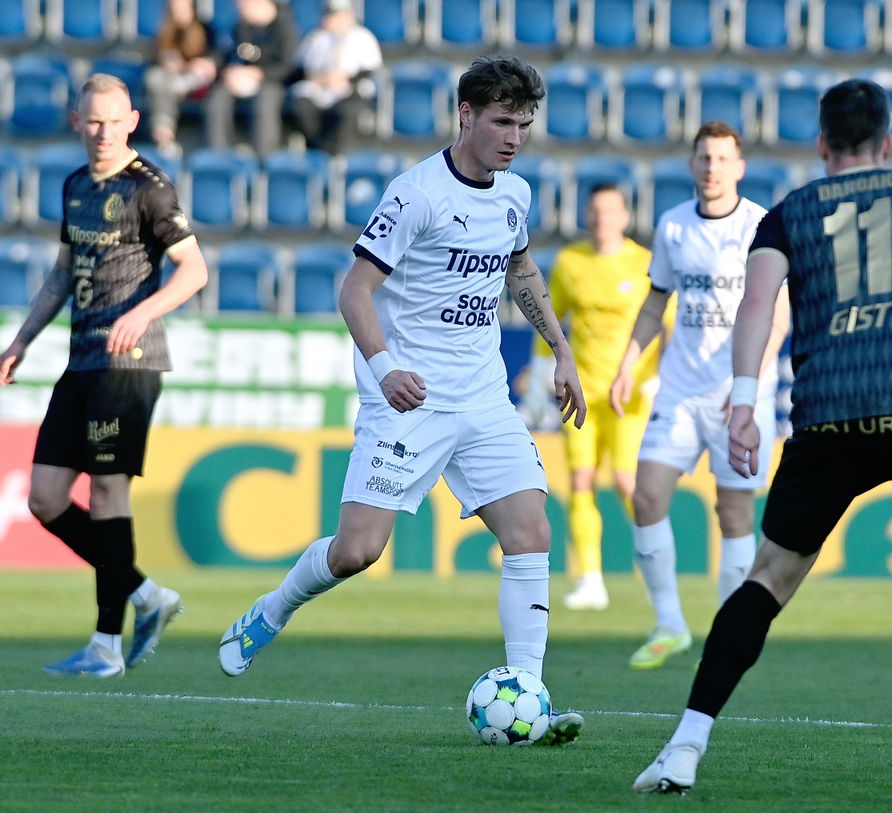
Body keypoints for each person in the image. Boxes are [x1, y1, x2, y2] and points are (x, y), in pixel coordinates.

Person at [632, 79, 892, 807]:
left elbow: (756, 304)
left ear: (821, 145)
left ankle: (683, 747)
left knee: (767, 579)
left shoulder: (785, 214)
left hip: (826, 418)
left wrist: (743, 404)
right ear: (887, 142)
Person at [217, 56, 589, 746]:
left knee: (531, 533)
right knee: (357, 551)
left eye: (524, 124)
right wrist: (385, 368)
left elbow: (521, 268)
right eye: (502, 122)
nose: (514, 138)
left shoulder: (515, 194)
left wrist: (561, 349)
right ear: (466, 115)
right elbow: (354, 290)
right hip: (410, 399)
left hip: (483, 394)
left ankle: (529, 696)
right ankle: (271, 610)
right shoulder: (416, 194)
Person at [0, 74, 209, 677]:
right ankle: (146, 594)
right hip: (82, 359)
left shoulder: (150, 189)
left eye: (114, 121)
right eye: (93, 121)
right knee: (45, 498)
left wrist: (142, 312)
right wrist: (21, 340)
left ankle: (105, 645)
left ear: (132, 122)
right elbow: (63, 273)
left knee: (107, 492)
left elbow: (194, 270)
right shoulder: (75, 186)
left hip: (129, 363)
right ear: (76, 122)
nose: (103, 132)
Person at [610, 121, 790, 669]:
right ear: (692, 164)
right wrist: (627, 365)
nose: (712, 167)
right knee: (646, 497)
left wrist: (747, 386)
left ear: (739, 167)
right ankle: (669, 623)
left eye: (722, 159)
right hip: (681, 390)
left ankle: (729, 632)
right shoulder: (673, 225)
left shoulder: (761, 225)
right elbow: (654, 304)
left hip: (740, 393)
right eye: (704, 158)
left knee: (733, 513)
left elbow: (779, 315)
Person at [531, 184, 664, 611]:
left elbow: (667, 321)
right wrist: (540, 369)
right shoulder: (570, 262)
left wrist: (658, 377)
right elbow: (549, 319)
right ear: (586, 215)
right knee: (581, 481)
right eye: (595, 210)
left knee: (627, 481)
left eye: (610, 211)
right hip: (582, 391)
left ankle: (656, 568)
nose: (602, 218)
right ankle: (590, 579)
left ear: (625, 216)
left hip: (630, 393)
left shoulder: (645, 263)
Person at [206, 0, 298, 156]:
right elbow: (227, 54)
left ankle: (265, 158)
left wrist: (258, 73)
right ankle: (217, 155)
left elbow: (288, 68)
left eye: (244, 5)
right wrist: (227, 71)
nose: (240, 9)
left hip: (272, 81)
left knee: (266, 100)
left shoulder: (285, 28)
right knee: (218, 95)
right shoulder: (241, 27)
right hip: (242, 80)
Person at [290, 0, 383, 155]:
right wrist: (319, 79)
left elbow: (370, 70)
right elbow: (300, 69)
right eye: (329, 15)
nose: (331, 20)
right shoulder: (315, 37)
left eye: (337, 15)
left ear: (349, 15)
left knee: (346, 111)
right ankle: (316, 150)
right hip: (318, 88)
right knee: (300, 106)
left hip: (350, 89)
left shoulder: (362, 36)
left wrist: (345, 79)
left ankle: (334, 154)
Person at [143, 0, 218, 158]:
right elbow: (154, 60)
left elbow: (213, 59)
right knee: (155, 77)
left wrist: (193, 65)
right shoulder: (165, 31)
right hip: (171, 78)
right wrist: (168, 62)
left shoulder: (205, 28)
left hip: (196, 80)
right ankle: (164, 133)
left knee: (170, 84)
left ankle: (164, 133)